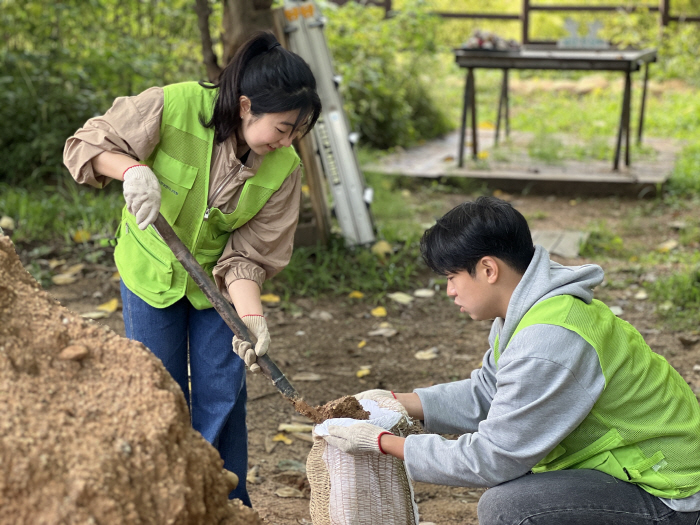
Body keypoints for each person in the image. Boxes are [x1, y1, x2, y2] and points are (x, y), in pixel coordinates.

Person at [324, 196, 700, 524]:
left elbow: (495, 457)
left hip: (671, 492)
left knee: (511, 508)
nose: (450, 291)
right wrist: (396, 400)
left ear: (488, 270)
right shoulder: (532, 308)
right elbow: (489, 393)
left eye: (453, 276)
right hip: (632, 469)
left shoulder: (548, 339)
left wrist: (383, 442)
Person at [64, 31, 321, 506]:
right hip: (151, 269)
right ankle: (160, 500)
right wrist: (132, 171)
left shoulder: (281, 168)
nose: (287, 142)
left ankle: (221, 503)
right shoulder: (175, 105)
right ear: (246, 106)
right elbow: (86, 144)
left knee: (223, 392)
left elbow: (248, 253)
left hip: (216, 288)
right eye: (283, 127)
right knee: (158, 388)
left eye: (296, 132)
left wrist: (252, 317)